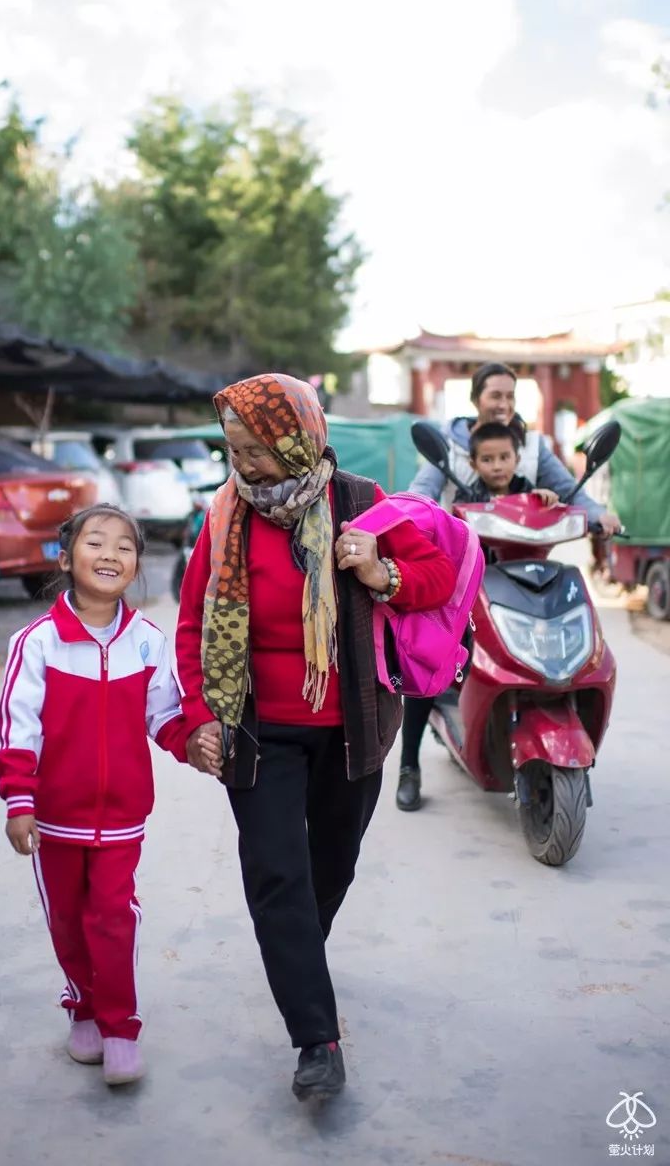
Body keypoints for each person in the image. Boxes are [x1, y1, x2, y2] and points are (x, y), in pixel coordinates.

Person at [176, 373, 457, 1102]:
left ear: (296, 437)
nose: (243, 462)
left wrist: (379, 567)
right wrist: (201, 713)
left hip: (353, 726)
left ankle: (298, 954)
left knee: (330, 866)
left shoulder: (361, 503)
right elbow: (190, 624)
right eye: (233, 448)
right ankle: (316, 1039)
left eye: (255, 449)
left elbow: (438, 574)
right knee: (278, 875)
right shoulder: (224, 516)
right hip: (259, 727)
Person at [0, 503, 220, 1086]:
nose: (111, 555)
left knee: (114, 917)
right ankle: (84, 1010)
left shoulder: (146, 641)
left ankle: (120, 1027)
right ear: (66, 559)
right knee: (67, 920)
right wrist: (19, 801)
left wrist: (192, 744)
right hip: (54, 819)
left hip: (122, 816)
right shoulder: (36, 643)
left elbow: (165, 713)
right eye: (96, 543)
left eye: (125, 547)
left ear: (138, 564)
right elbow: (18, 727)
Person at [396, 361, 621, 813]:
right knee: (431, 658)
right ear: (477, 398)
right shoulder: (451, 447)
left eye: (509, 396)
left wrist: (599, 516)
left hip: (522, 571)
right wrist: (414, 519)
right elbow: (423, 490)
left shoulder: (533, 448)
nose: (501, 404)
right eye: (494, 395)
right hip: (461, 573)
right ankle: (409, 766)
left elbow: (568, 492)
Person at [466, 421, 559, 505]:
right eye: (487, 460)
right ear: (474, 465)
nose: (497, 467)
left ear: (517, 460)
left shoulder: (527, 490)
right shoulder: (467, 497)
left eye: (504, 458)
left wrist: (546, 500)